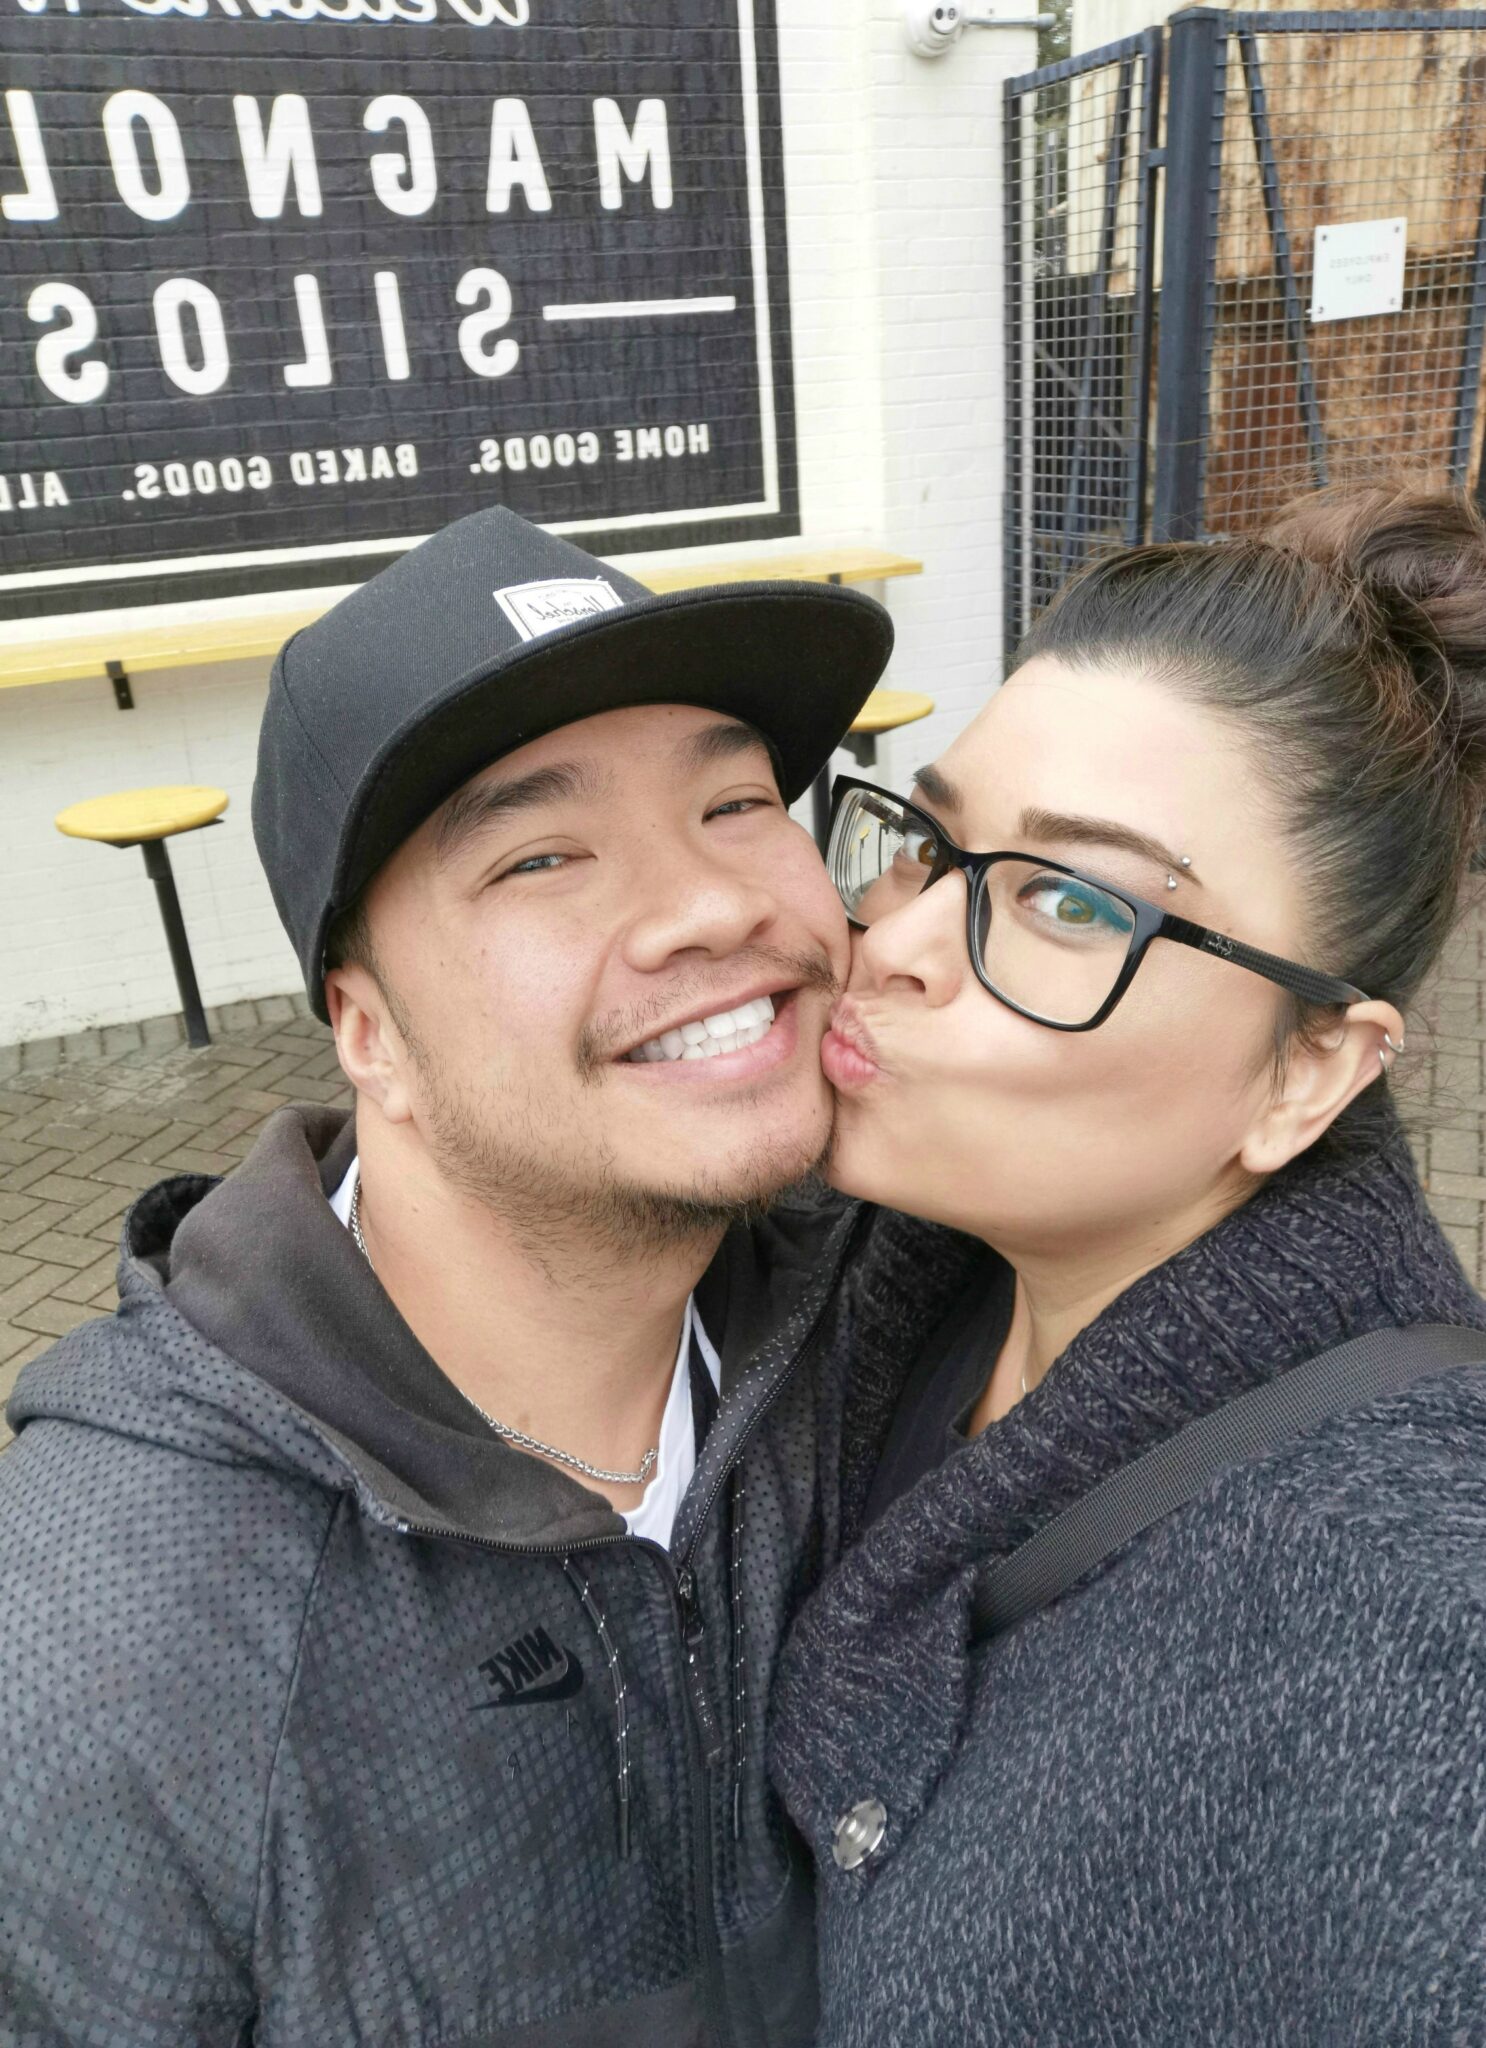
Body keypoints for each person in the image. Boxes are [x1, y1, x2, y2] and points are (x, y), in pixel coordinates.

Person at [0, 507, 895, 2046]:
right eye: (542, 854)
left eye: (737, 802)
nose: (716, 904)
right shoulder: (118, 1641)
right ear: (366, 1032)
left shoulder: (899, 1315)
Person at [770, 486, 1486, 2043]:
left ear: (1309, 1070)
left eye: (1072, 901)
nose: (890, 940)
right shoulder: (900, 1282)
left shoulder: (1419, 1634)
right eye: (929, 843)